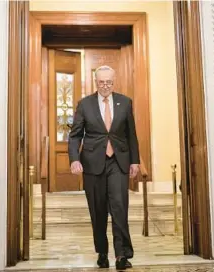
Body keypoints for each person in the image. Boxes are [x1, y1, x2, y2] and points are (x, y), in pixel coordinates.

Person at [68, 65, 140, 270]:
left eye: (109, 82)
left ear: (114, 81)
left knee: (119, 208)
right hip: (92, 164)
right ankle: (102, 252)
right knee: (98, 211)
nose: (106, 86)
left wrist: (135, 160)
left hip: (118, 161)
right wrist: (74, 159)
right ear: (95, 82)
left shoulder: (125, 102)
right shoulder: (85, 104)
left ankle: (122, 255)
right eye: (102, 82)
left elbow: (131, 134)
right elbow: (75, 136)